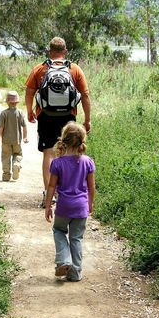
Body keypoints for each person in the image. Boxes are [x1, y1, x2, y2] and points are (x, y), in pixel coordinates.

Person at [25, 37, 91, 207]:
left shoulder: (40, 68)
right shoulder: (74, 69)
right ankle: (67, 191)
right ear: (65, 51)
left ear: (50, 51)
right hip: (68, 116)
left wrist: (30, 111)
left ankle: (49, 193)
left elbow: (29, 92)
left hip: (46, 115)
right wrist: (87, 120)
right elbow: (85, 95)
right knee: (69, 152)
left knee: (49, 153)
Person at [44, 121, 95, 282]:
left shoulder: (57, 163)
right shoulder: (88, 162)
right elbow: (91, 187)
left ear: (63, 140)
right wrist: (90, 204)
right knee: (76, 238)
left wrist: (48, 205)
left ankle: (64, 261)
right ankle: (75, 272)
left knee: (59, 231)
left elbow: (51, 186)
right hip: (81, 207)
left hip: (64, 207)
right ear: (82, 141)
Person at [0, 91, 29, 181]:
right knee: (18, 154)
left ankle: (6, 175)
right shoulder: (20, 113)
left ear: (7, 102)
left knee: (5, 157)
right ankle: (16, 164)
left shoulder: (4, 113)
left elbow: (0, 128)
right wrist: (25, 137)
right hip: (17, 141)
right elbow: (24, 126)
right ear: (17, 102)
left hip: (6, 141)